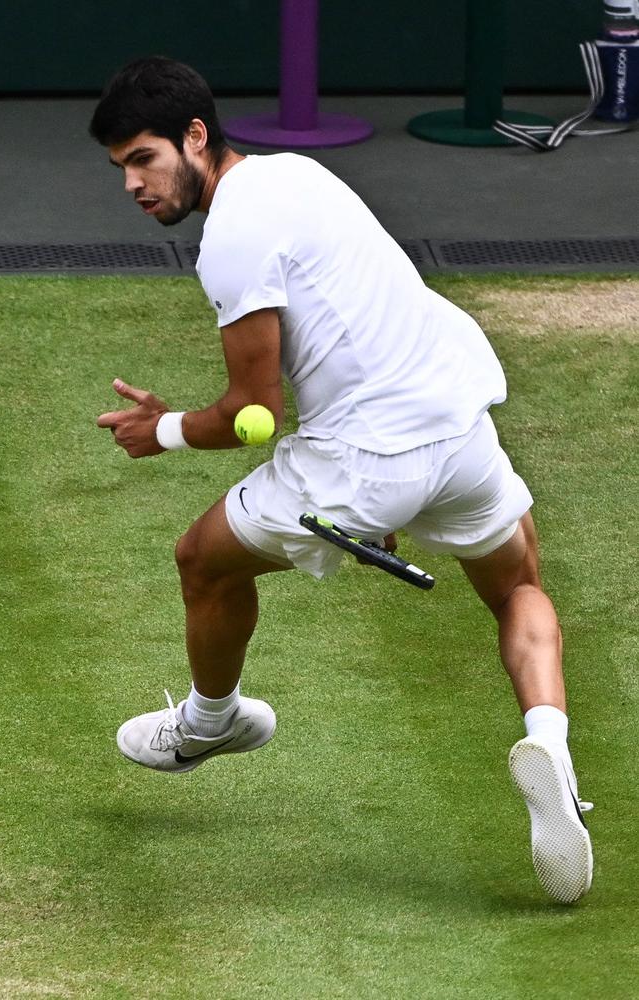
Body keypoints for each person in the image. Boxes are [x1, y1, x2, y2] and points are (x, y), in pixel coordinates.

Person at [90, 56, 593, 903]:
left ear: (196, 137)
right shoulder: (302, 175)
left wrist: (163, 430)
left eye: (144, 158)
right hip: (457, 422)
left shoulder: (231, 242)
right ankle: (551, 746)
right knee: (519, 589)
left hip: (362, 461)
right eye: (122, 170)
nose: (134, 184)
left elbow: (254, 410)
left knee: (202, 559)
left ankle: (210, 724)